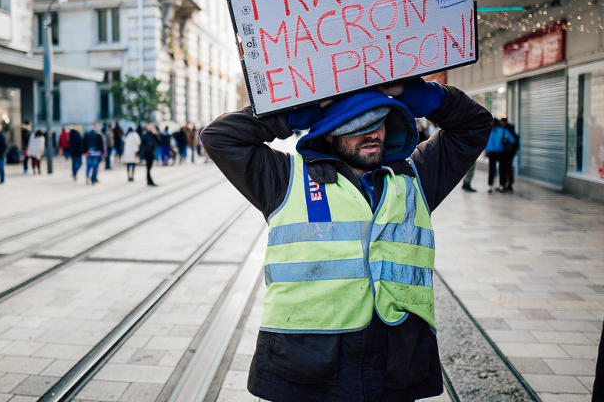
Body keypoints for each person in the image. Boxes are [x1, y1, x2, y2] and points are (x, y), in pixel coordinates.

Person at [201, 77, 492, 400]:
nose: (372, 133)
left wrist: (418, 94)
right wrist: (299, 112)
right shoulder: (286, 178)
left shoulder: (415, 178)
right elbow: (219, 137)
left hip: (395, 362)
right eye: (355, 125)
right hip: (305, 363)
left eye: (379, 121)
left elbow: (475, 125)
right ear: (329, 132)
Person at [485, 118, 516, 193]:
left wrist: (486, 151)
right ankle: (502, 186)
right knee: (502, 169)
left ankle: (490, 187)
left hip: (491, 153)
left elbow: (486, 143)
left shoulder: (489, 132)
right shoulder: (503, 130)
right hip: (502, 152)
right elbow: (512, 140)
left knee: (491, 169)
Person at [501, 117, 519, 192]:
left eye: (502, 123)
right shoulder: (508, 129)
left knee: (508, 168)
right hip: (508, 152)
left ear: (505, 123)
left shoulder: (508, 130)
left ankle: (509, 184)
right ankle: (506, 184)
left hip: (509, 152)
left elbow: (513, 141)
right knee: (507, 168)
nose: (501, 124)